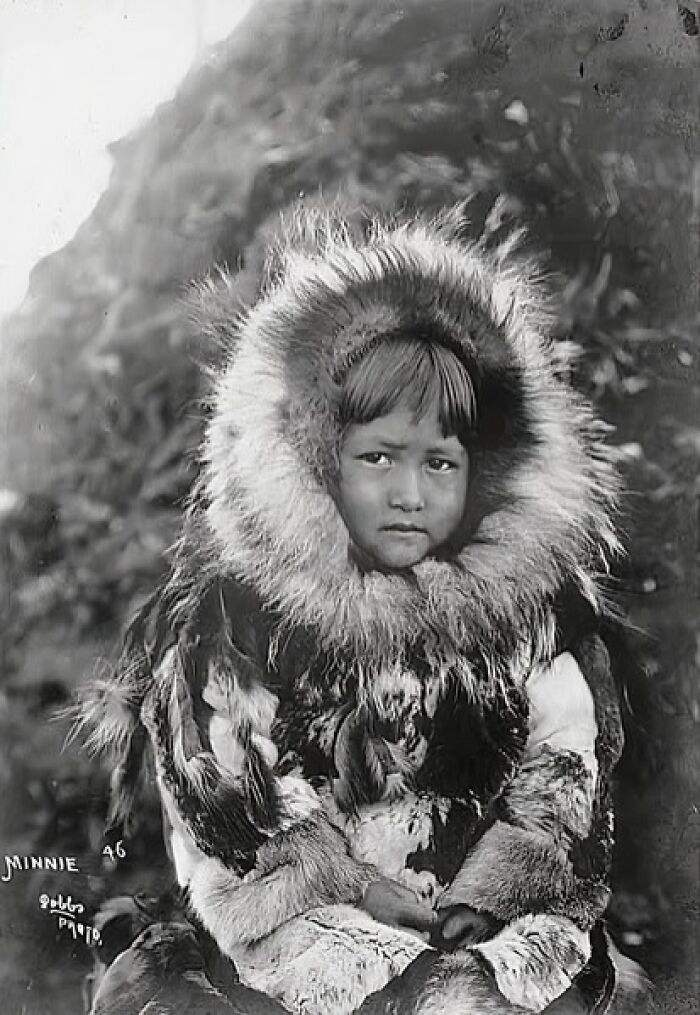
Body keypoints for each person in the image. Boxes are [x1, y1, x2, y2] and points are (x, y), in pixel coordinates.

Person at [81, 205, 634, 1014]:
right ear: (319, 458)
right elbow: (228, 782)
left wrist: (493, 895)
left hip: (472, 934)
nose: (410, 494)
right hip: (309, 934)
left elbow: (565, 763)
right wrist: (346, 888)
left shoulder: (532, 618)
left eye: (440, 462)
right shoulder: (243, 618)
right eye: (378, 457)